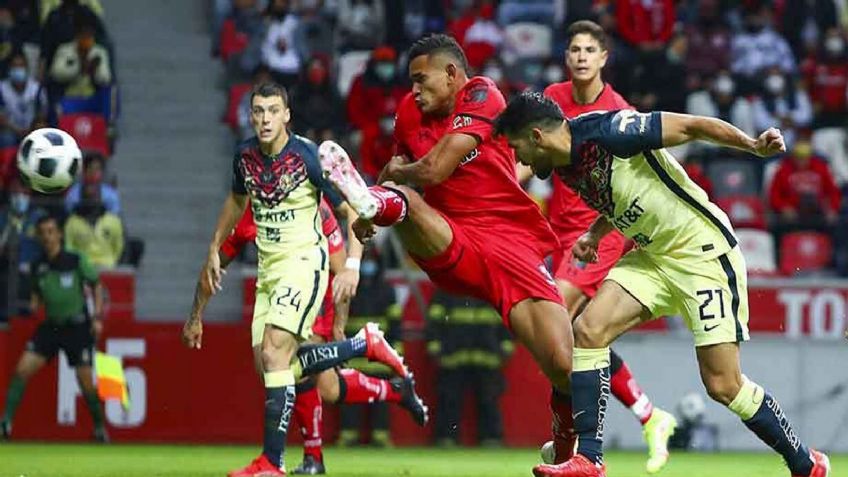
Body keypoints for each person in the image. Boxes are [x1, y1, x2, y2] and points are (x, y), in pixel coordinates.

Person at [495, 92, 831, 477]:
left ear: (537, 136)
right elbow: (624, 197)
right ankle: (589, 458)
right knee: (587, 331)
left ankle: (805, 463)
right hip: (652, 257)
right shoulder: (566, 165)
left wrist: (752, 145)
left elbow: (691, 126)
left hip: (701, 254)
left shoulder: (611, 130)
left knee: (724, 385)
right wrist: (595, 233)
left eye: (517, 148)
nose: (520, 160)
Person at [319, 34, 576, 462]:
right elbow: (397, 174)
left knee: (563, 365)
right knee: (407, 201)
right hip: (450, 239)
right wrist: (370, 210)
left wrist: (391, 180)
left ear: (452, 74)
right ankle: (374, 201)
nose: (414, 90)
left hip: (509, 242)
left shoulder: (483, 95)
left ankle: (567, 453)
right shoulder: (408, 112)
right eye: (411, 81)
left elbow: (433, 169)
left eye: (421, 79)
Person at [187, 81, 416, 477]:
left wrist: (352, 266)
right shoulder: (244, 157)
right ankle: (363, 346)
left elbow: (355, 209)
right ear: (250, 115)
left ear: (287, 115)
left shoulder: (309, 157)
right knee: (272, 367)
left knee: (279, 355)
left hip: (305, 265)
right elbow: (236, 201)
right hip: (269, 274)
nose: (265, 119)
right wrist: (212, 248)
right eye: (259, 111)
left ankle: (274, 462)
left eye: (273, 111)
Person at [188, 199, 428, 475]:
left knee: (286, 365)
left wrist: (339, 322)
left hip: (315, 289)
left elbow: (340, 265)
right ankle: (389, 384)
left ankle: (304, 456)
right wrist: (195, 315)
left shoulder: (312, 203)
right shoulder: (252, 214)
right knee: (319, 384)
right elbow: (215, 264)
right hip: (277, 290)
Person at [534, 20, 676, 473]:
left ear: (603, 58)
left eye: (589, 50)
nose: (580, 56)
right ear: (566, 57)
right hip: (561, 234)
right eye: (574, 49)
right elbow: (531, 155)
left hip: (600, 234)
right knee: (575, 334)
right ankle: (649, 415)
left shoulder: (618, 111)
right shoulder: (551, 100)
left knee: (556, 321)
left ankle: (571, 441)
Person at [0, 215, 107, 442]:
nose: (47, 237)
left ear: (59, 234)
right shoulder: (38, 266)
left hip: (77, 327)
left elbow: (96, 285)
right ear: (39, 237)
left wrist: (97, 317)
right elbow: (36, 299)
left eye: (51, 231)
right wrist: (32, 304)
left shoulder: (75, 260)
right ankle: (5, 424)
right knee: (21, 370)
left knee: (86, 382)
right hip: (51, 327)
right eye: (43, 233)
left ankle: (99, 428)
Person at [428, 291, 512, 447]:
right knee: (450, 399)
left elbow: (507, 320)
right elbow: (434, 322)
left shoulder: (493, 291)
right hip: (453, 357)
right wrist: (435, 348)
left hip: (486, 357)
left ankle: (491, 439)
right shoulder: (446, 290)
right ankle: (446, 438)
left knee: (488, 400)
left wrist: (506, 347)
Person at [64, 181, 124, 269]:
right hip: (82, 268)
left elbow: (118, 247)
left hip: (108, 267)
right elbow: (69, 248)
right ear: (82, 198)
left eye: (94, 196)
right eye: (88, 197)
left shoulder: (113, 220)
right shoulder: (72, 222)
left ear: (100, 197)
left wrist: (111, 261)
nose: (91, 201)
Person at [0, 51, 47, 148]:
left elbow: (42, 115)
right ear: (9, 69)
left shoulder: (36, 88)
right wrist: (17, 130)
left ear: (26, 68)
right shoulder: (2, 89)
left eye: (21, 66)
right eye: (15, 66)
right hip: (10, 130)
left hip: (32, 130)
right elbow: (1, 118)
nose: (18, 69)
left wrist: (32, 130)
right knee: (6, 138)